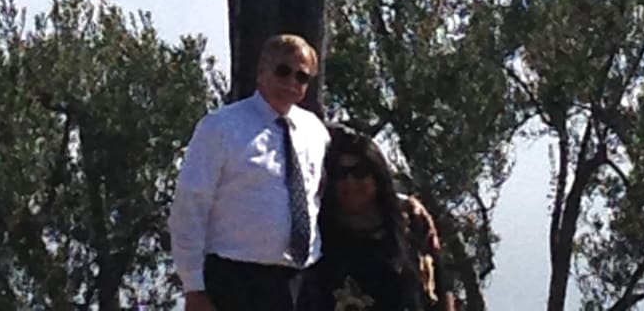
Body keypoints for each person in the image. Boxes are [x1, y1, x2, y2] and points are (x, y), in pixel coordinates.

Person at [169, 33, 330, 311]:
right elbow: (190, 205)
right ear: (261, 72)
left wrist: (402, 202)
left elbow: (338, 186)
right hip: (236, 280)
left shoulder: (315, 131)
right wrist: (193, 287)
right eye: (283, 71)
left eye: (301, 77)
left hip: (301, 282)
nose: (291, 82)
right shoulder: (221, 127)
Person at [301, 128, 455, 311]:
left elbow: (441, 286)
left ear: (377, 175)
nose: (350, 181)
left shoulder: (411, 224)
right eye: (340, 173)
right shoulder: (317, 236)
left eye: (359, 172)